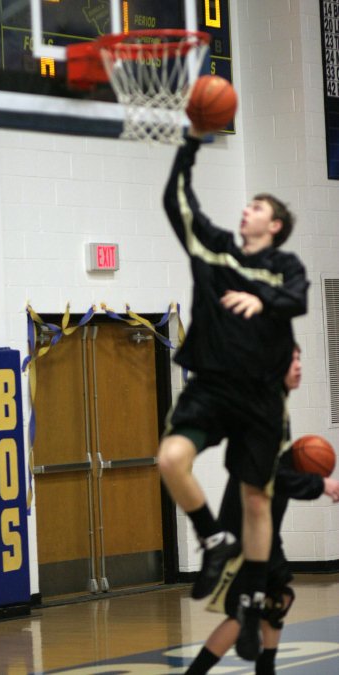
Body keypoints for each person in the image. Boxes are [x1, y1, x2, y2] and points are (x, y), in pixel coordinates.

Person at [157, 125, 309, 660]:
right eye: (246, 205)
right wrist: (191, 143)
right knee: (170, 458)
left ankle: (249, 600)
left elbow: (295, 299)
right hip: (213, 385)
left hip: (263, 397)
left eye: (258, 206)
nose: (247, 210)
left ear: (276, 224)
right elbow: (176, 200)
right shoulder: (213, 249)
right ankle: (211, 538)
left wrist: (260, 302)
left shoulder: (284, 268)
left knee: (255, 499)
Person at [185, 346, 339, 674]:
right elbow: (270, 476)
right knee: (243, 614)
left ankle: (265, 668)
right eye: (290, 360)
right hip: (245, 531)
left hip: (266, 529)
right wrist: (320, 485)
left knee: (278, 598)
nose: (298, 366)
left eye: (299, 358)